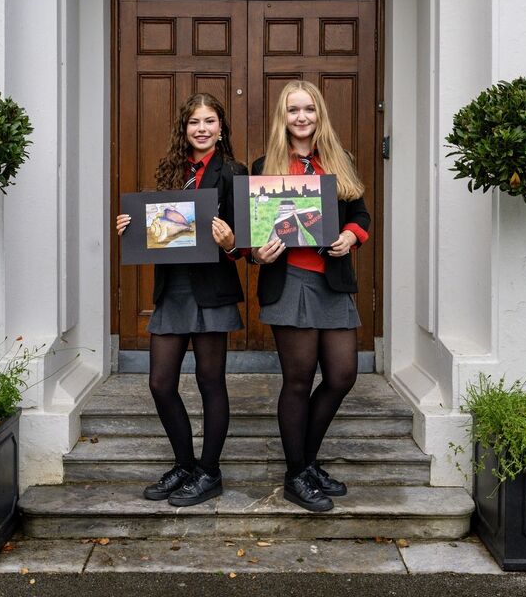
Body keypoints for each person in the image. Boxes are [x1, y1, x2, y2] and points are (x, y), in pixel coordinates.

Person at [115, 93, 246, 507]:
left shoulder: (233, 174)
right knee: (160, 382)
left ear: (221, 128)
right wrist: (131, 227)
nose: (202, 128)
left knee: (211, 383)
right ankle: (185, 463)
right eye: (194, 122)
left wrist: (231, 242)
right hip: (173, 290)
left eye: (209, 121)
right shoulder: (171, 171)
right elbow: (162, 231)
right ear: (184, 129)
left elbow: (245, 243)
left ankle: (210, 472)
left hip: (212, 291)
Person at [250, 81, 370, 512]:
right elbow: (251, 233)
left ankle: (306, 462)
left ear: (320, 115)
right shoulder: (265, 166)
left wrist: (349, 237)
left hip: (332, 280)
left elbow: (360, 214)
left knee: (341, 376)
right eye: (293, 110)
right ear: (283, 118)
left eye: (309, 110)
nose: (301, 117)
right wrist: (256, 253)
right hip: (291, 280)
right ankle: (297, 473)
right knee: (298, 381)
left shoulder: (339, 161)